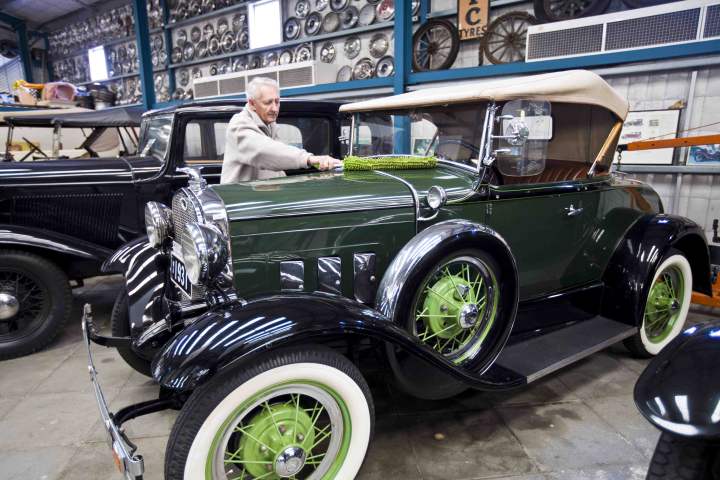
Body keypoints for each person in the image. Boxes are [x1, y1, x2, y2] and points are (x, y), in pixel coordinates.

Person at [220, 77, 341, 183]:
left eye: (277, 102)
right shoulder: (239, 124)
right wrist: (310, 159)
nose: (274, 108)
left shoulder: (269, 124)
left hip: (261, 198)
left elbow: (277, 165)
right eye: (268, 103)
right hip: (238, 202)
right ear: (252, 103)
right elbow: (264, 151)